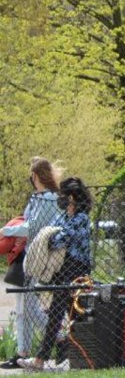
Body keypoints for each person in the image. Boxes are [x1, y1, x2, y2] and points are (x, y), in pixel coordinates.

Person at [18, 177, 93, 371]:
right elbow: (49, 235)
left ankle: (69, 358)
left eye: (64, 195)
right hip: (62, 269)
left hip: (76, 269)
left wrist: (53, 236)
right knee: (57, 312)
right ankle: (45, 360)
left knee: (71, 312)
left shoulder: (82, 218)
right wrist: (52, 236)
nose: (60, 198)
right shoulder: (63, 217)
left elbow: (60, 238)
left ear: (73, 197)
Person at [0, 157, 60, 369]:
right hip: (28, 255)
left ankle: (61, 336)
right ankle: (22, 352)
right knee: (23, 307)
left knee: (29, 308)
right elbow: (26, 222)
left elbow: (32, 227)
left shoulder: (49, 199)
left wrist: (6, 231)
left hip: (38, 256)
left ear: (36, 175)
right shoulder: (39, 198)